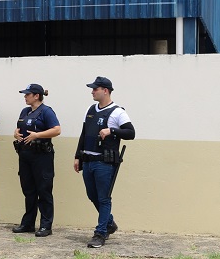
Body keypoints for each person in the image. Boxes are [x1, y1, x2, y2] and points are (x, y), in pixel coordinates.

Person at [73, 76, 135, 248]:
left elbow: (130, 133)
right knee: (92, 195)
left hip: (104, 163)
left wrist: (112, 131)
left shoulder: (117, 112)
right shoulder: (91, 109)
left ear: (105, 91)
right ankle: (110, 223)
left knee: (104, 198)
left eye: (95, 89)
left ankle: (100, 233)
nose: (92, 91)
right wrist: (78, 155)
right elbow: (84, 134)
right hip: (88, 161)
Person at [12, 84, 61, 237]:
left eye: (27, 94)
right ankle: (28, 223)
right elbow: (20, 127)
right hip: (25, 155)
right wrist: (16, 133)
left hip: (41, 156)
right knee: (29, 190)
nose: (25, 97)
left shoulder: (46, 111)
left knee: (44, 190)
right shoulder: (25, 111)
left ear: (36, 96)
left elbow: (57, 130)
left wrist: (37, 135)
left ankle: (46, 225)